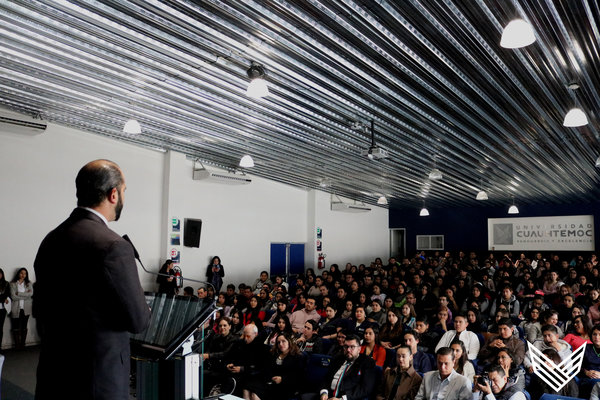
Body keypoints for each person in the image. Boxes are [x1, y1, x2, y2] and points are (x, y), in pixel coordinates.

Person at [33, 159, 151, 400]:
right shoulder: (114, 246)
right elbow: (137, 320)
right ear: (113, 194)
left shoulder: (51, 240)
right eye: (124, 191)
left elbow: (43, 309)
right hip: (97, 381)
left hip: (54, 374)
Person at [302, 333, 377, 400]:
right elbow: (326, 378)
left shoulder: (367, 362)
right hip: (328, 396)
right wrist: (324, 392)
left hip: (346, 397)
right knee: (304, 397)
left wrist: (342, 399)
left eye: (352, 347)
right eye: (346, 347)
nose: (348, 350)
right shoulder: (338, 359)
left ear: (359, 349)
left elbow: (365, 389)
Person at [247, 332, 304, 400]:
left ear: (289, 342)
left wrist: (282, 379)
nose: (281, 344)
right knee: (247, 387)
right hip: (270, 382)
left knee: (255, 395)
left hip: (285, 386)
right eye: (278, 342)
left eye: (283, 341)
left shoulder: (297, 357)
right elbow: (266, 368)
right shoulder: (274, 354)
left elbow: (297, 376)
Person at [225, 324, 270, 398]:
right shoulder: (240, 343)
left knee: (251, 393)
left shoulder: (261, 348)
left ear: (256, 334)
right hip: (243, 374)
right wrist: (230, 365)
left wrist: (242, 369)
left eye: (248, 336)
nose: (245, 338)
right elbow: (231, 356)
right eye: (244, 335)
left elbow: (259, 367)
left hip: (254, 376)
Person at [9, 267, 33, 349]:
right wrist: (25, 295)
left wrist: (18, 293)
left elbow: (31, 294)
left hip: (26, 308)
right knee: (15, 327)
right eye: (21, 273)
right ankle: (17, 345)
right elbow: (13, 297)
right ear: (18, 273)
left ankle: (23, 345)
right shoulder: (12, 284)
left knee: (24, 327)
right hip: (15, 308)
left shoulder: (29, 283)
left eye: (25, 273)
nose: (23, 275)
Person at [0, 268, 9, 348]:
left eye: (0, 273)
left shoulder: (6, 284)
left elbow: (8, 295)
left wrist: (3, 298)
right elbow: (4, 297)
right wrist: (3, 299)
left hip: (2, 310)